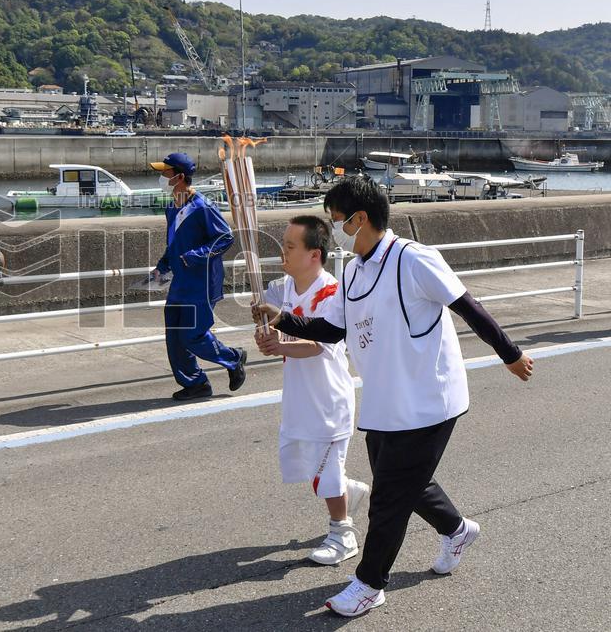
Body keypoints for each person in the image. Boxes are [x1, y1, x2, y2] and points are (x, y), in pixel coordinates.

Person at [255, 174, 533, 617]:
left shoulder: (413, 258)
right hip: (386, 401)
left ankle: (369, 583)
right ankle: (457, 530)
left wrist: (511, 354)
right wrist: (284, 318)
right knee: (407, 481)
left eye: (340, 220)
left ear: (361, 219)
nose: (338, 230)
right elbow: (332, 328)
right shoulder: (354, 273)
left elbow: (468, 306)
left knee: (387, 496)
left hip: (429, 399)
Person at [256, 216, 370, 565]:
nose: (283, 255)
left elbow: (318, 345)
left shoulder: (331, 293)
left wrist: (281, 347)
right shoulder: (288, 287)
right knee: (313, 467)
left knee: (323, 472)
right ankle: (347, 490)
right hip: (300, 396)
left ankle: (343, 533)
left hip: (328, 399)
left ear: (314, 255)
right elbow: (265, 310)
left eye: (290, 247)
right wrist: (266, 332)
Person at [149, 152, 246, 401]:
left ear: (179, 177)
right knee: (175, 334)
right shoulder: (172, 206)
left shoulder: (202, 206)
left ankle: (233, 359)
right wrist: (162, 265)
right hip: (180, 280)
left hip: (201, 282)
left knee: (193, 334)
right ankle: (195, 383)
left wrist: (195, 256)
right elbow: (174, 244)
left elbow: (225, 237)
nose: (161, 177)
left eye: (165, 172)